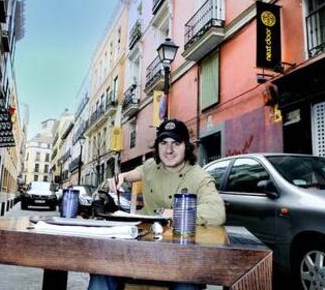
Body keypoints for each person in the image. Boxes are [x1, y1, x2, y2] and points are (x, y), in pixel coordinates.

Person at [88, 119, 226, 290]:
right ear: (157, 146)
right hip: (140, 248)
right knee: (102, 268)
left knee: (188, 281)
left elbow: (217, 211)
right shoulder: (151, 166)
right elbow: (136, 173)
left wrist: (175, 213)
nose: (169, 150)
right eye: (163, 143)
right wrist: (121, 177)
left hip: (180, 256)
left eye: (176, 143)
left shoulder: (199, 177)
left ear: (186, 147)